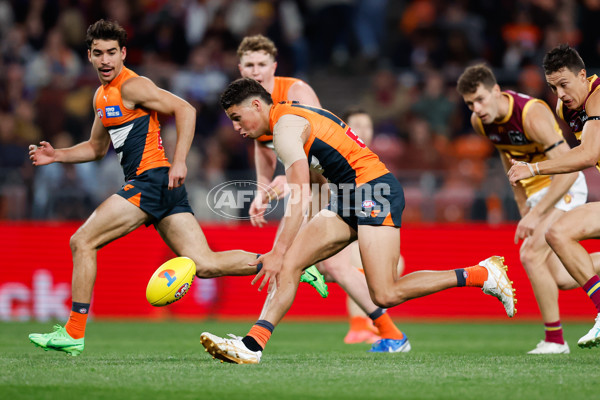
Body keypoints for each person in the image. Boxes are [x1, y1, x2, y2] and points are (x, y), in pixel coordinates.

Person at [25, 20, 310, 357]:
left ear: (123, 54)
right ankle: (293, 264)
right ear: (89, 55)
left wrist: (179, 160)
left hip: (153, 180)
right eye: (99, 53)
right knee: (204, 264)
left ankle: (74, 331)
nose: (105, 60)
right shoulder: (101, 96)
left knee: (82, 240)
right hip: (158, 186)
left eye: (112, 53)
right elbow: (96, 148)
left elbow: (184, 108)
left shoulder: (132, 86)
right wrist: (57, 155)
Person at [199, 78, 516, 364]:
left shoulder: (284, 128)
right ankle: (253, 345)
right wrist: (285, 249)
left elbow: (299, 197)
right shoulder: (291, 116)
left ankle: (480, 274)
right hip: (347, 197)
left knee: (385, 294)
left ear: (256, 105)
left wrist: (278, 248)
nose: (237, 128)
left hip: (374, 191)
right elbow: (316, 179)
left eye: (237, 118)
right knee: (289, 265)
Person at [238, 35, 409, 349]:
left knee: (328, 264)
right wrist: (261, 190)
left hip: (329, 186)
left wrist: (289, 183)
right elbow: (263, 151)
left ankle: (387, 331)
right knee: (329, 265)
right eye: (249, 64)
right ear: (240, 67)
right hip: (310, 183)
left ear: (274, 66)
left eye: (262, 64)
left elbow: (321, 141)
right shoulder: (250, 105)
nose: (256, 70)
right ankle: (389, 333)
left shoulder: (294, 92)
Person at [457, 63, 591, 354]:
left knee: (529, 255)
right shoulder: (481, 122)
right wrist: (523, 207)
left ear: (495, 90)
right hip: (536, 194)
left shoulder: (531, 114)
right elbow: (509, 158)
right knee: (562, 277)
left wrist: (536, 213)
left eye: (480, 99)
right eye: (470, 103)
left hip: (563, 185)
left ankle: (555, 341)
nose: (476, 108)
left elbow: (568, 169)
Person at [508, 44, 600, 349]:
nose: (559, 94)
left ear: (583, 75)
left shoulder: (598, 96)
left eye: (564, 84)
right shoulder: (568, 109)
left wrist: (533, 169)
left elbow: (587, 156)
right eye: (552, 87)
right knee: (560, 250)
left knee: (559, 237)